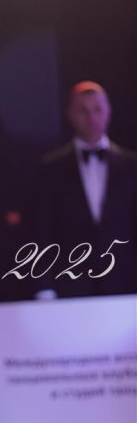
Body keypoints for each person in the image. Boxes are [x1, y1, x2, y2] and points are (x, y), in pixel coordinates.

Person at [32, 81, 136, 298]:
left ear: (108, 111)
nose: (91, 118)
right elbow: (42, 230)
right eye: (83, 110)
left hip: (126, 283)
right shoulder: (51, 168)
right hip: (71, 282)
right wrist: (44, 286)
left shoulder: (131, 166)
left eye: (97, 109)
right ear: (70, 114)